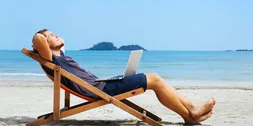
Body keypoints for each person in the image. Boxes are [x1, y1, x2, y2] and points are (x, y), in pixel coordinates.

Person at [32, 29, 216, 124]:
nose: (55, 35)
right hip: (99, 89)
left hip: (101, 84)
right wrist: (42, 36)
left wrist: (52, 38)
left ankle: (191, 109)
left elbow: (59, 42)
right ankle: (189, 114)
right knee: (155, 79)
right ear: (44, 44)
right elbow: (38, 40)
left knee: (153, 77)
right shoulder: (50, 59)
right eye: (50, 35)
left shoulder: (60, 55)